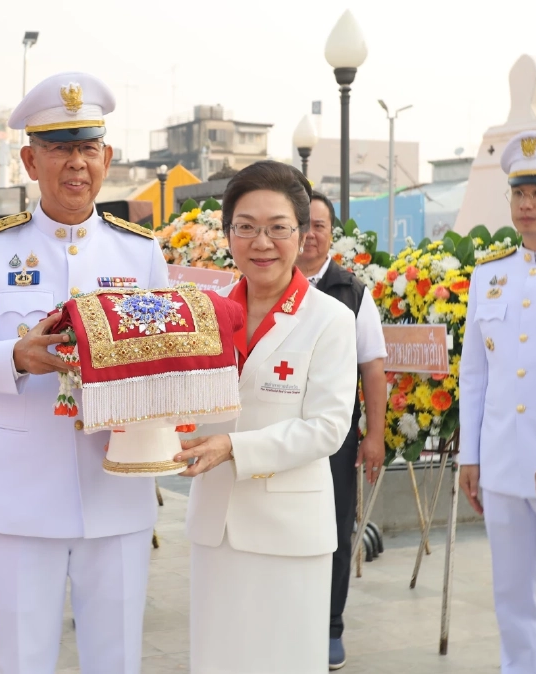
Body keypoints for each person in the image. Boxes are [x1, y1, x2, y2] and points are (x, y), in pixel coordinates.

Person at [0, 71, 169, 674]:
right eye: (59, 148)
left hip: (115, 484)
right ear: (29, 160)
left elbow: (166, 355)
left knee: (116, 657)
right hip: (20, 492)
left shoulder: (139, 251)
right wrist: (15, 357)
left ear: (107, 158)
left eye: (87, 148)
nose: (76, 164)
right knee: (23, 658)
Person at [178, 160, 359, 673]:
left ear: (302, 235)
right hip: (216, 527)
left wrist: (234, 449)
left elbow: (327, 427)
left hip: (289, 531)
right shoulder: (203, 314)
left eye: (278, 228)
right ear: (228, 234)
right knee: (218, 660)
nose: (262, 242)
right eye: (246, 227)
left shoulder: (330, 319)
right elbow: (185, 405)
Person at [459, 131, 536, 674]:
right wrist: (471, 455)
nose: (526, 205)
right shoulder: (489, 275)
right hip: (505, 466)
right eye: (518, 193)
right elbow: (475, 372)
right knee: (513, 597)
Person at [297, 193, 387, 670]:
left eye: (319, 226)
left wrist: (374, 434)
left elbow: (372, 367)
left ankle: (331, 626)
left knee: (334, 529)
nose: (310, 235)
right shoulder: (270, 282)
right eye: (303, 225)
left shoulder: (352, 291)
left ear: (332, 232)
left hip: (334, 439)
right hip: (282, 432)